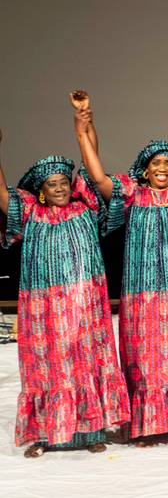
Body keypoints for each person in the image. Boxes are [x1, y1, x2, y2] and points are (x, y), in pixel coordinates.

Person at [72, 89, 168, 445]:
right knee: (147, 355)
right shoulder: (132, 194)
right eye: (156, 164)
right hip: (144, 292)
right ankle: (146, 424)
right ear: (144, 170)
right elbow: (97, 178)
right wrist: (82, 124)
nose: (163, 169)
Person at [0, 127, 130, 458]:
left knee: (86, 362)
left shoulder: (84, 209)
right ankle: (44, 432)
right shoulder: (31, 212)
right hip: (44, 308)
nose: (60, 188)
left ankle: (91, 430)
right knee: (47, 365)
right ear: (41, 191)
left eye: (63, 183)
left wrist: (84, 124)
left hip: (85, 303)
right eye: (52, 185)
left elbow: (91, 166)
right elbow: (2, 195)